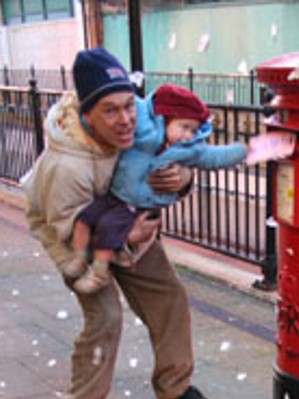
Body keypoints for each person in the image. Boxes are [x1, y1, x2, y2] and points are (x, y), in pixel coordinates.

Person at [23, 48, 221, 399]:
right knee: (106, 317)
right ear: (87, 113)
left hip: (124, 219)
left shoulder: (141, 122)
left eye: (129, 105)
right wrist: (126, 237)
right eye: (110, 111)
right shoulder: (67, 167)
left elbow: (175, 147)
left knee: (168, 296)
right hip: (75, 236)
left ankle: (174, 388)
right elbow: (71, 233)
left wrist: (181, 178)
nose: (126, 119)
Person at [66, 84, 255, 295]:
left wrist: (246, 150)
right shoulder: (144, 128)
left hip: (136, 204)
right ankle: (78, 258)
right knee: (84, 219)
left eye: (193, 130)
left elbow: (216, 157)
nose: (188, 135)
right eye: (184, 127)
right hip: (115, 194)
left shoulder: (191, 149)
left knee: (108, 228)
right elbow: (124, 108)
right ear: (165, 119)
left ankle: (98, 273)